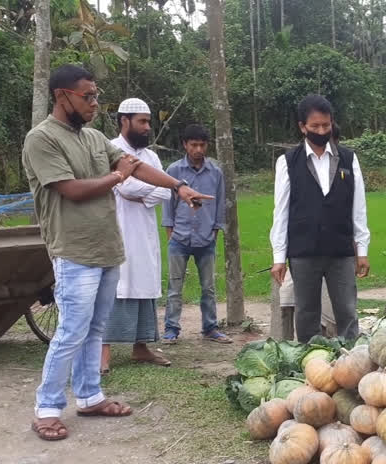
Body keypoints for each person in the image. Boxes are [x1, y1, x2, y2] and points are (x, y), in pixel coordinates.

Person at [23, 65, 211, 441]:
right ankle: (47, 406)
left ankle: (90, 396)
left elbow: (136, 166)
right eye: (87, 96)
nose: (94, 103)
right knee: (72, 330)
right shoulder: (41, 139)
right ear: (63, 96)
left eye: (96, 96)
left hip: (108, 248)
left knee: (95, 328)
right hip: (74, 250)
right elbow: (71, 189)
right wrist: (117, 177)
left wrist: (179, 187)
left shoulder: (93, 138)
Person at [269, 94, 371, 342]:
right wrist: (278, 258)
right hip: (303, 250)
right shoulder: (287, 162)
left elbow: (358, 207)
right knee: (306, 312)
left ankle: (351, 362)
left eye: (326, 125)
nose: (321, 130)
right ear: (302, 127)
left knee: (347, 310)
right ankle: (309, 362)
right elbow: (281, 211)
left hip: (341, 249)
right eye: (315, 126)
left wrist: (362, 250)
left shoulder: (348, 158)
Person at [100, 98, 172, 375]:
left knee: (144, 284)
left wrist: (143, 192)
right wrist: (144, 190)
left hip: (144, 232)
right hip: (117, 231)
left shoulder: (151, 157)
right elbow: (126, 186)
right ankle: (103, 354)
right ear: (124, 121)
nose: (147, 127)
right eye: (142, 121)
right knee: (116, 287)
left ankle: (140, 347)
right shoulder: (111, 149)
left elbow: (165, 191)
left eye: (148, 122)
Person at [161, 124, 231, 344]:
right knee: (174, 287)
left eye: (202, 145)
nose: (198, 149)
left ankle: (210, 327)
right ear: (185, 145)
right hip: (179, 238)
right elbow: (168, 203)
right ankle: (171, 329)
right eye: (194, 145)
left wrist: (215, 231)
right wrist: (170, 231)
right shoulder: (174, 171)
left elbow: (219, 204)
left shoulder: (216, 172)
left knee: (209, 287)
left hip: (206, 238)